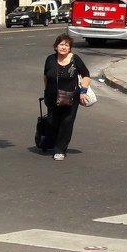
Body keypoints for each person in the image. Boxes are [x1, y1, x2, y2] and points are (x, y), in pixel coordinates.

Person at [42, 34, 91, 162]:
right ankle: (52, 141)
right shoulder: (50, 59)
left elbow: (86, 75)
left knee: (67, 122)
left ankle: (60, 149)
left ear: (70, 48)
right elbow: (46, 76)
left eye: (66, 45)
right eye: (61, 44)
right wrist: (46, 91)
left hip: (71, 97)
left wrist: (83, 92)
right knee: (52, 121)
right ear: (56, 46)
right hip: (52, 97)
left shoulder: (75, 59)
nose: (63, 47)